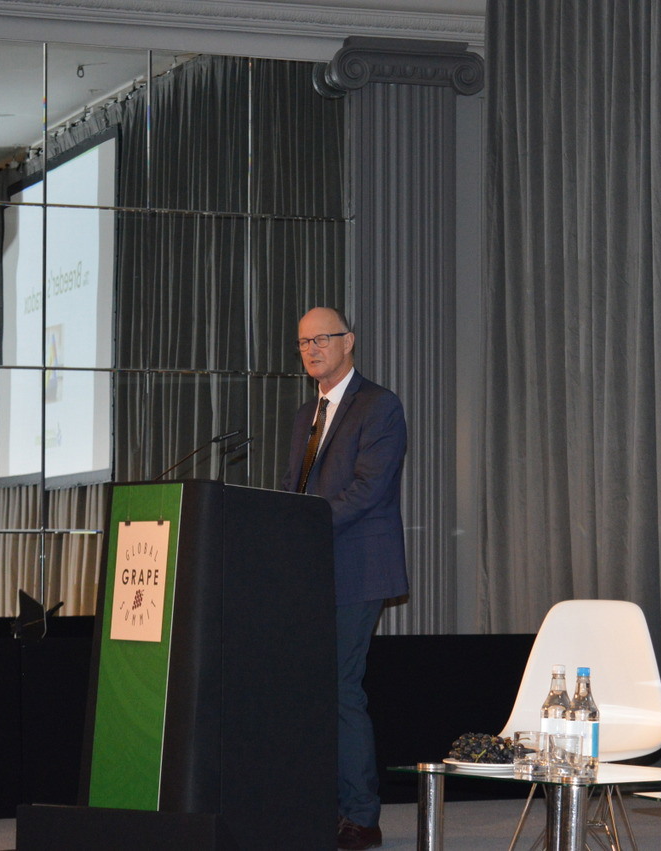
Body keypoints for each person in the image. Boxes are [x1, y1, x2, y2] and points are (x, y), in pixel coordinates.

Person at [279, 306, 407, 851]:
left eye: (322, 339)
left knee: (340, 687)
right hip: (311, 570)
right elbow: (295, 489)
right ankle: (321, 808)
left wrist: (304, 524)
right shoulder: (306, 413)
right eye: (304, 342)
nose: (312, 349)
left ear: (348, 341)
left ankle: (361, 817)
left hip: (357, 567)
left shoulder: (379, 405)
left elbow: (368, 490)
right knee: (313, 690)